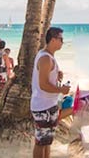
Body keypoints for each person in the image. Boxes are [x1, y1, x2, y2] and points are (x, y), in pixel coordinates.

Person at [31, 27, 70, 158]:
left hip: (47, 105)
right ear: (53, 40)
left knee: (46, 142)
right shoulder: (46, 58)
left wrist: (56, 75)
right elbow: (43, 85)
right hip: (43, 106)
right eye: (61, 39)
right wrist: (61, 90)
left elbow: (45, 79)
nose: (62, 42)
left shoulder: (47, 56)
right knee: (41, 142)